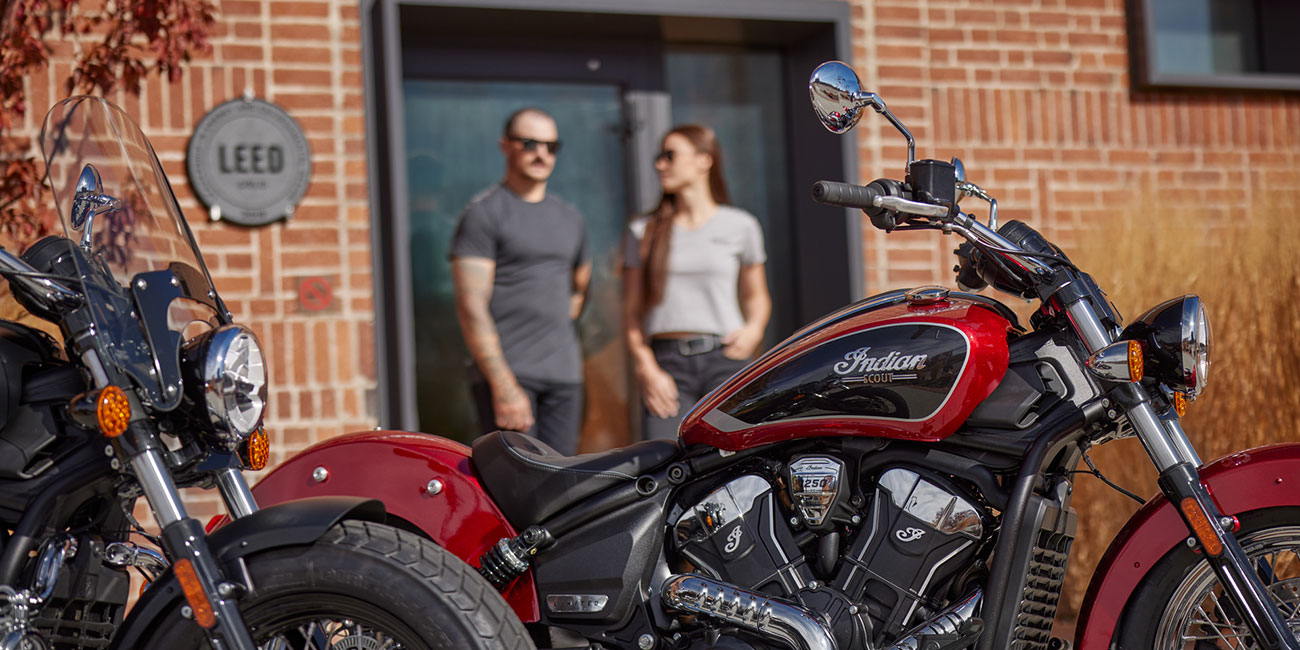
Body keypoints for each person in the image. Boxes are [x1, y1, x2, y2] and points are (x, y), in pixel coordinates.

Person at [450, 108, 590, 455]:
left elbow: (579, 288)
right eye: (529, 143)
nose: (541, 154)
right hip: (511, 376)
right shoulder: (484, 213)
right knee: (514, 482)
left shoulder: (570, 218)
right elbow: (471, 306)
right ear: (505, 146)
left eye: (551, 146)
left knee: (564, 480)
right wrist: (504, 385)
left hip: (564, 378)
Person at [623, 124, 771, 440]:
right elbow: (631, 311)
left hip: (725, 360)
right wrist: (645, 368)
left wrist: (754, 330)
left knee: (728, 457)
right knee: (664, 455)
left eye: (670, 155)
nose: (659, 165)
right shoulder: (643, 231)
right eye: (659, 157)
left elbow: (757, 296)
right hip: (667, 365)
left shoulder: (741, 226)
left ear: (704, 160)